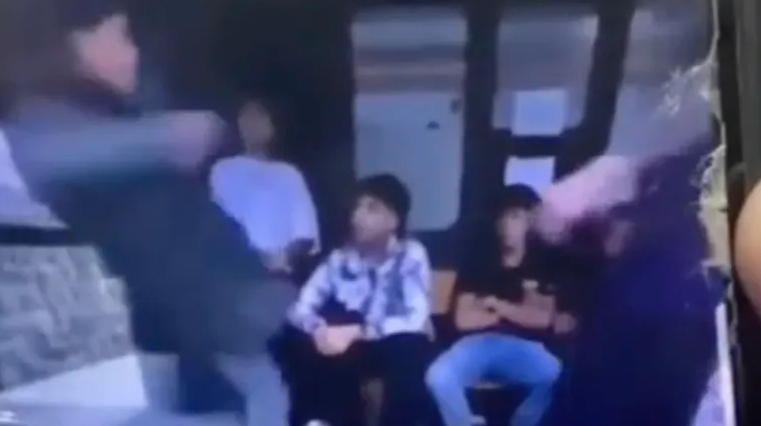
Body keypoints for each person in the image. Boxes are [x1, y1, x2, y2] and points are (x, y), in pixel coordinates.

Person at [2, 2, 295, 425]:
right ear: (76, 42)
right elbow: (49, 155)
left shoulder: (108, 120)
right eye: (122, 35)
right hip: (158, 345)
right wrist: (161, 138)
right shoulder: (44, 127)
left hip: (211, 334)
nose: (134, 53)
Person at [274, 174, 433, 426]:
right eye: (357, 207)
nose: (357, 216)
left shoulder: (410, 254)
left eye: (371, 208)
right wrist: (319, 330)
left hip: (390, 342)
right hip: (348, 347)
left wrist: (357, 332)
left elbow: (415, 318)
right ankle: (318, 420)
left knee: (408, 349)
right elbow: (300, 308)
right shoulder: (340, 258)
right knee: (295, 339)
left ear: (393, 220)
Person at [426, 184, 575, 426]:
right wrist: (518, 311)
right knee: (438, 377)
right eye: (502, 217)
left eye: (515, 217)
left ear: (528, 222)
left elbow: (541, 319)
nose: (507, 226)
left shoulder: (541, 263)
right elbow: (464, 320)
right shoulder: (478, 261)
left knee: (555, 373)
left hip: (523, 346)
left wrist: (494, 305)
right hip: (476, 345)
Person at [210, 99, 319, 277]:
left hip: (280, 275)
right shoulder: (222, 171)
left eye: (260, 117)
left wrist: (281, 258)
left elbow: (305, 234)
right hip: (234, 274)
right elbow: (217, 227)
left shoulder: (289, 174)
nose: (253, 125)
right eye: (247, 118)